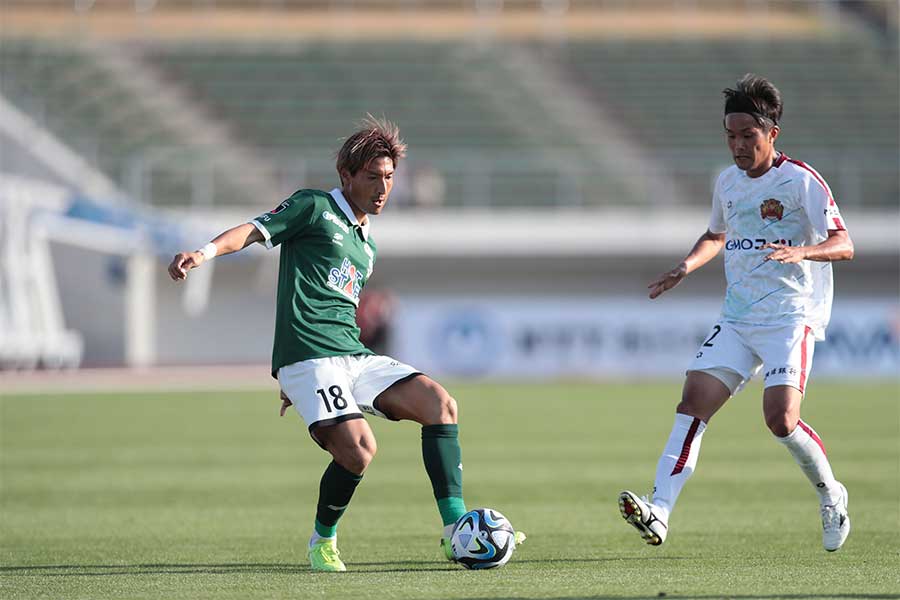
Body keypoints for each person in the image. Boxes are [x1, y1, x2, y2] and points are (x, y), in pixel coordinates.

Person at [168, 117, 521, 571]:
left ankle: (455, 531)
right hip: (310, 357)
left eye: (390, 178)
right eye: (372, 177)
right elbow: (253, 231)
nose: (382, 188)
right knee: (358, 450)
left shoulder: (366, 243)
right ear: (347, 176)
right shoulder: (313, 206)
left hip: (352, 355)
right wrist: (204, 253)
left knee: (440, 404)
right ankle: (322, 541)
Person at [618, 74, 854, 552]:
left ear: (771, 134)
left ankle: (831, 494)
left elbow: (844, 244)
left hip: (790, 318)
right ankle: (660, 510)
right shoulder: (726, 181)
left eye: (748, 135)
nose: (738, 145)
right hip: (737, 319)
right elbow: (716, 235)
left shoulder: (801, 180)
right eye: (731, 135)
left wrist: (802, 254)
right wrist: (684, 267)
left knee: (781, 420)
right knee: (693, 403)